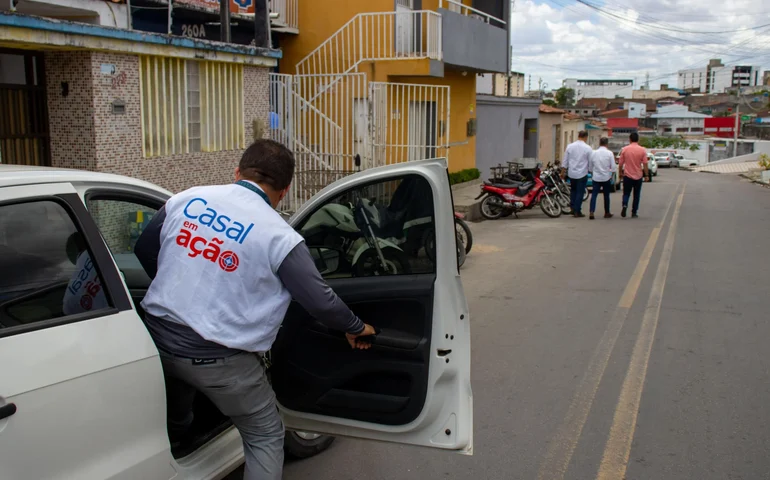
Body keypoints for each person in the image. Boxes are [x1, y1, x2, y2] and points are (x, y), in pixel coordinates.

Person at [134, 139, 376, 480]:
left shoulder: (187, 198)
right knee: (265, 434)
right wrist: (354, 326)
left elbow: (145, 248)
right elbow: (320, 300)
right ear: (284, 190)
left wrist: (181, 287)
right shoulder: (278, 235)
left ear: (237, 172)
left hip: (155, 341)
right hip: (218, 361)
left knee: (176, 392)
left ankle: (179, 434)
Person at [561, 130, 593, 217]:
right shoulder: (588, 148)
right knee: (580, 192)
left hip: (572, 173)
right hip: (582, 174)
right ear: (586, 137)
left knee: (573, 191)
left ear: (578, 136)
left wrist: (562, 172)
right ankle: (577, 210)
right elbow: (590, 162)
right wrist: (590, 171)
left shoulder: (570, 146)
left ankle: (572, 207)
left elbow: (565, 160)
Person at [618, 132, 649, 218]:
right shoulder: (642, 150)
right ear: (638, 139)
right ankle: (634, 212)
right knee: (636, 194)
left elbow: (620, 163)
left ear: (630, 139)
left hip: (627, 175)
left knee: (626, 193)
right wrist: (646, 175)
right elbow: (645, 163)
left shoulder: (625, 149)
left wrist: (620, 172)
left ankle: (624, 205)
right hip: (638, 175)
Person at [588, 137, 617, 220]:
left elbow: (590, 167)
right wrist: (611, 175)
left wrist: (593, 172)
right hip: (606, 177)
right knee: (606, 195)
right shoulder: (609, 153)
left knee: (594, 195)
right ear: (607, 144)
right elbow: (613, 167)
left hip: (596, 177)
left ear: (599, 143)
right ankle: (607, 212)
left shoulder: (593, 153)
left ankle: (591, 211)